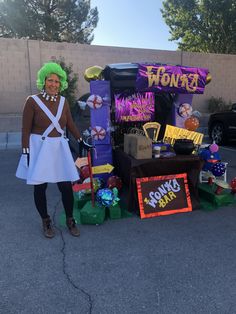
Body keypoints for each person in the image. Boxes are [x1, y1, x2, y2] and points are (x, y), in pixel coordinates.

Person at [16, 62, 91, 238]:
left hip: (59, 147)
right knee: (40, 187)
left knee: (66, 186)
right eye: (50, 80)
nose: (53, 84)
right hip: (39, 148)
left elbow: (70, 124)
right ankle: (46, 220)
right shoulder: (32, 101)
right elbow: (25, 129)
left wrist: (81, 140)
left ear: (61, 83)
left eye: (57, 81)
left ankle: (70, 219)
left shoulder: (64, 101)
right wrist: (26, 151)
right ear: (43, 81)